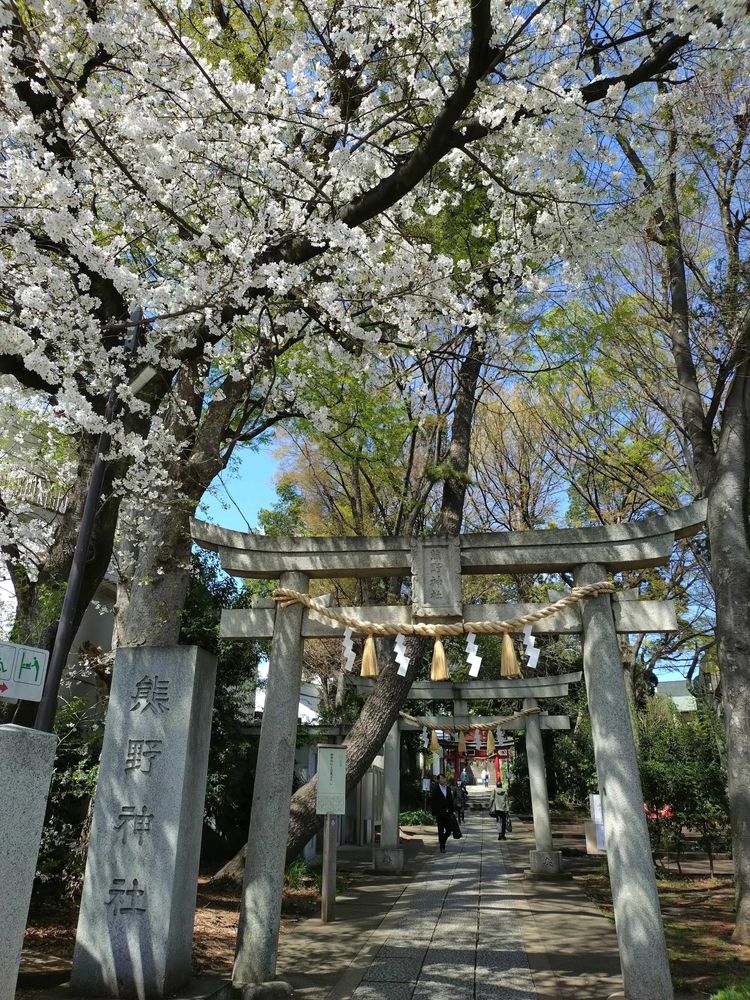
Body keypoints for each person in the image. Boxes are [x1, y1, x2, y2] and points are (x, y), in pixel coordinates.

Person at [430, 773, 454, 852]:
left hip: (447, 813)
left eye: (443, 778)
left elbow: (450, 801)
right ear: (438, 780)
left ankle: (443, 841)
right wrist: (434, 813)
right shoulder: (435, 789)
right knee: (441, 831)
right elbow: (433, 802)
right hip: (439, 813)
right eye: (441, 778)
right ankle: (442, 846)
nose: (442, 780)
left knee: (449, 830)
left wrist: (452, 811)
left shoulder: (448, 789)